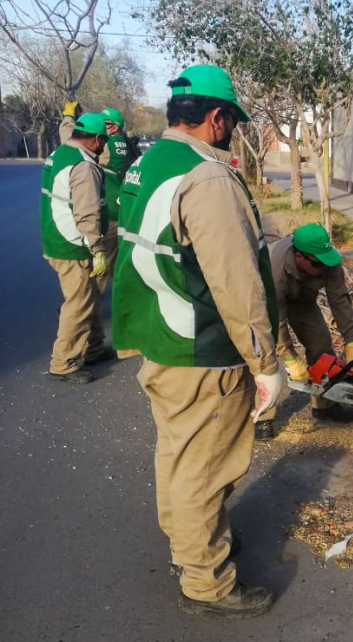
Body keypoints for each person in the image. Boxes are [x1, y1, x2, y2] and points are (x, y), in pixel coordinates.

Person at [111, 64, 284, 617]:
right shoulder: (206, 178)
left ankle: (191, 549)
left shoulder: (148, 164)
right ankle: (206, 582)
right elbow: (235, 282)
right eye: (231, 121)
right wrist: (265, 363)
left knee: (179, 456)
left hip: (163, 338)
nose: (232, 130)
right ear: (215, 118)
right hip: (202, 350)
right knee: (206, 468)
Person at [255, 222, 353, 440]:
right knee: (265, 354)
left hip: (302, 299)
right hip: (264, 302)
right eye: (317, 264)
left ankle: (324, 404)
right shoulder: (274, 269)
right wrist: (290, 357)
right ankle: (263, 415)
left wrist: (352, 340)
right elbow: (275, 319)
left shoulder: (328, 261)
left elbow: (339, 299)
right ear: (299, 256)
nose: (323, 267)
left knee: (321, 343)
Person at [41, 112, 114, 384]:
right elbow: (87, 213)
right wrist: (97, 249)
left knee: (90, 295)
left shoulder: (60, 152)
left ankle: (94, 348)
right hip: (73, 246)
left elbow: (65, 128)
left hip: (56, 238)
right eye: (103, 141)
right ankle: (63, 362)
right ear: (95, 139)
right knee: (79, 303)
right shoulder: (84, 166)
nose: (104, 146)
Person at [61, 102, 140, 284]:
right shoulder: (127, 145)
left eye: (107, 124)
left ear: (116, 127)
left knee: (102, 267)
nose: (103, 128)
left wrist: (68, 118)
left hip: (110, 216)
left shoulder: (106, 145)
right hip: (123, 212)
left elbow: (72, 141)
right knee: (116, 264)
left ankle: (88, 304)